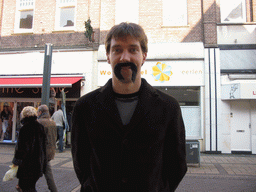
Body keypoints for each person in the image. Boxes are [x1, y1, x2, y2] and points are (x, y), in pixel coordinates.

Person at [71, 22, 187, 192]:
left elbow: (177, 164)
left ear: (144, 56)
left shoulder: (168, 107)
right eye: (117, 50)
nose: (125, 57)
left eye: (133, 50)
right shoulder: (85, 107)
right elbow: (80, 160)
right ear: (108, 56)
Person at [12, 106, 47, 192]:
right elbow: (44, 146)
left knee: (26, 188)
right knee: (30, 186)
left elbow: (21, 148)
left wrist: (16, 162)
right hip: (38, 163)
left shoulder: (25, 128)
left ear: (24, 115)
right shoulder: (40, 127)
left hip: (27, 164)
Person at [38, 105, 58, 192]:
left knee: (32, 172)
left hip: (41, 152)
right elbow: (55, 137)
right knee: (48, 173)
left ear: (41, 112)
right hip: (50, 151)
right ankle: (54, 190)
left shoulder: (39, 122)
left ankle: (24, 187)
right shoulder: (52, 122)